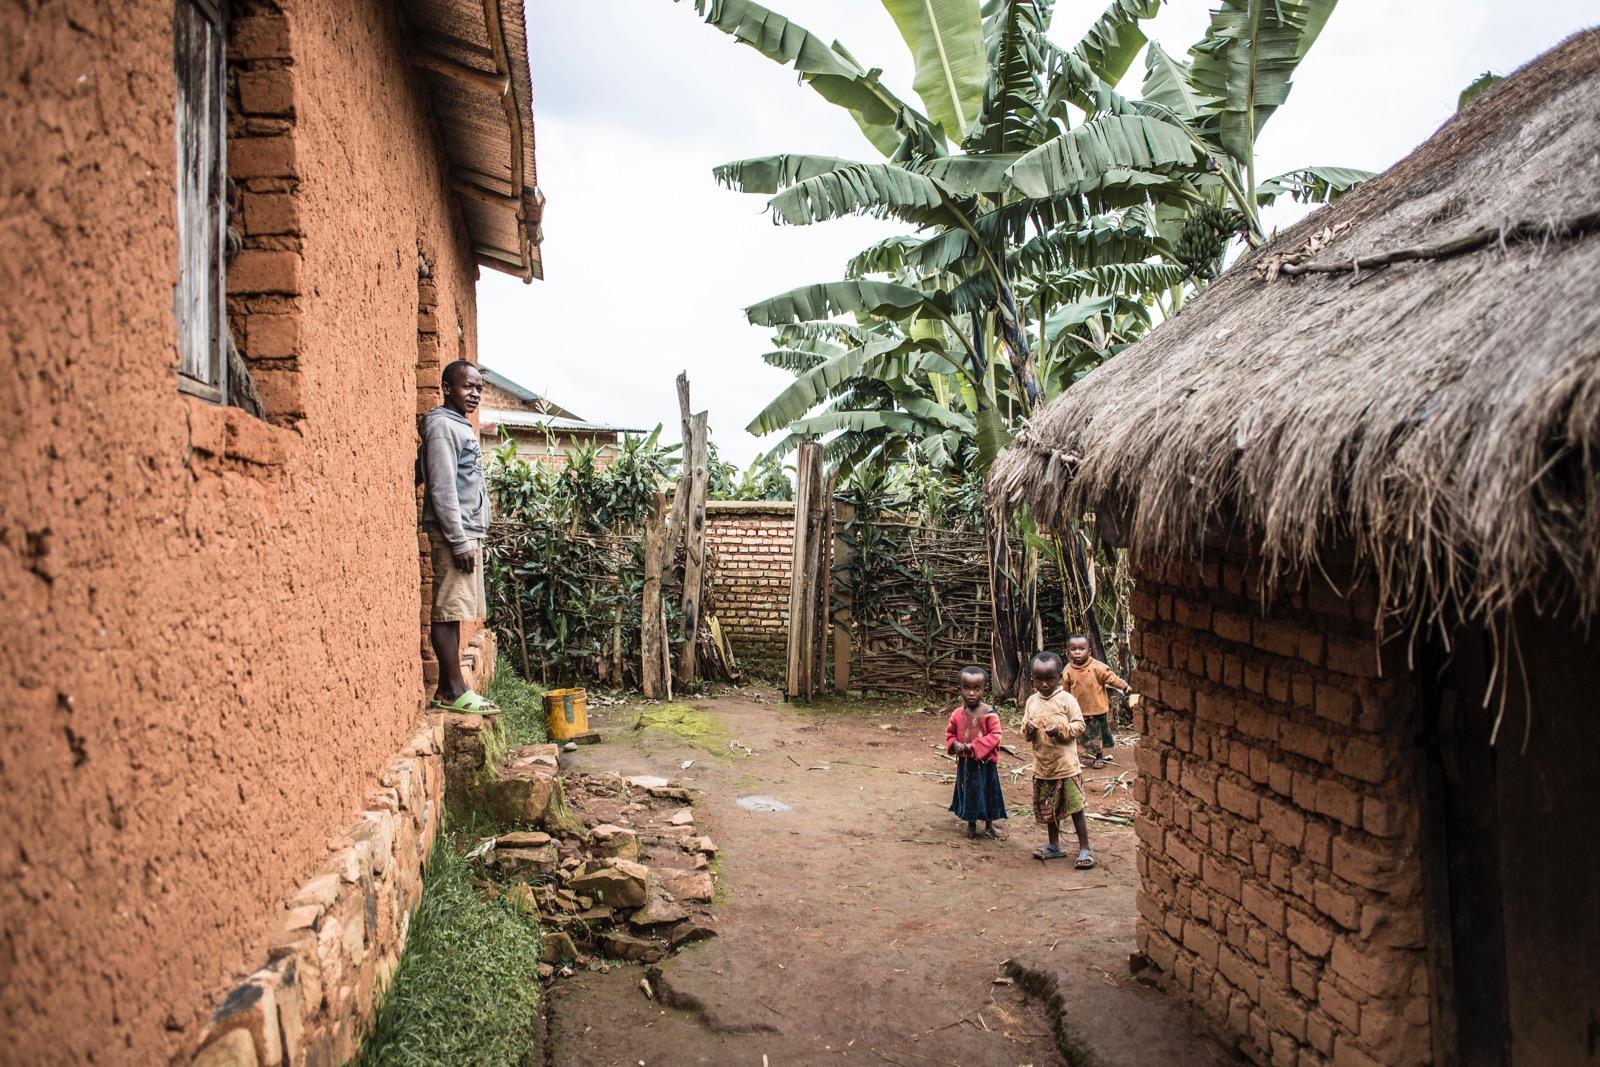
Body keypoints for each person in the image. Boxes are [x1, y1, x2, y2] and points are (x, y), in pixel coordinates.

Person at [420, 360, 497, 714]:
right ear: (447, 387)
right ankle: (450, 690)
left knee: (456, 610)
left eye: (479, 388)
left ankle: (455, 687)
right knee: (447, 611)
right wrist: (459, 539)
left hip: (467, 530)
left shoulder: (459, 424)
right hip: (456, 533)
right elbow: (442, 487)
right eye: (467, 386)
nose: (474, 393)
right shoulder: (441, 427)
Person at [1021, 651, 1094, 868]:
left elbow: (1080, 725)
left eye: (1050, 678)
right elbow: (1024, 731)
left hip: (1066, 767)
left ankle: (1085, 848)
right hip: (1043, 767)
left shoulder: (1066, 699)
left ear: (1058, 677)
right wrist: (1029, 729)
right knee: (1048, 808)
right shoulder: (1031, 702)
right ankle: (1054, 845)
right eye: (1039, 679)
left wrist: (1061, 729)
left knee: (1075, 807)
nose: (1044, 684)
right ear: (1032, 679)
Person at [945, 666, 1006, 840]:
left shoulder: (989, 714)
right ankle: (971, 824)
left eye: (976, 689)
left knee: (988, 792)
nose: (971, 693)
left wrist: (974, 747)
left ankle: (989, 824)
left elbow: (995, 736)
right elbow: (950, 733)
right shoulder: (957, 714)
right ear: (960, 689)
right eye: (967, 688)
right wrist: (954, 743)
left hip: (985, 764)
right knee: (969, 793)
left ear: (984, 690)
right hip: (966, 765)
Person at [1063, 635, 1133, 768]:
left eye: (1081, 649)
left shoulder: (1098, 667)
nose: (1077, 652)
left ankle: (1098, 756)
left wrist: (1125, 686)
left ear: (1089, 651)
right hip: (1078, 711)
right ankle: (1077, 756)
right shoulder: (1068, 671)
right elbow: (1065, 693)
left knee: (1097, 735)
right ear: (1069, 651)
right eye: (1073, 649)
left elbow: (1112, 679)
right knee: (1078, 734)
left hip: (1097, 709)